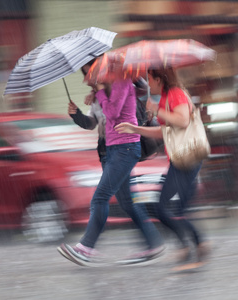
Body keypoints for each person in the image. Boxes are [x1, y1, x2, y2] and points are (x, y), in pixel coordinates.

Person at [58, 61, 165, 266]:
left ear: (100, 70)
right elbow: (93, 123)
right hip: (111, 151)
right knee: (127, 202)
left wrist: (99, 91)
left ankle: (86, 248)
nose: (85, 78)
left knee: (100, 198)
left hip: (124, 149)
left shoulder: (120, 83)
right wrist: (76, 114)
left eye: (88, 73)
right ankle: (153, 243)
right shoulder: (102, 91)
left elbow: (114, 112)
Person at [115, 67, 211, 263]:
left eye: (149, 79)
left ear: (159, 79)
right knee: (178, 210)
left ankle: (190, 245)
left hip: (187, 157)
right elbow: (164, 132)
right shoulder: (167, 96)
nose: (148, 83)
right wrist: (135, 129)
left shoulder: (175, 93)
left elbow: (183, 120)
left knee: (161, 208)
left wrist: (157, 110)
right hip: (181, 158)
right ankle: (197, 244)